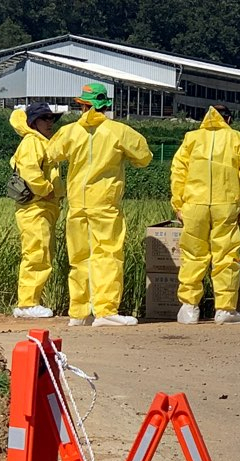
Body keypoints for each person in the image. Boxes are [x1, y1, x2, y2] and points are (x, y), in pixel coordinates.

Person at [48, 83, 152, 327]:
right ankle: (105, 310)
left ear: (83, 105)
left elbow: (52, 153)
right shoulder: (119, 131)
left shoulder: (70, 131)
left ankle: (79, 312)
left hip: (77, 204)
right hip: (105, 202)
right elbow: (144, 157)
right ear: (106, 105)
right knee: (107, 254)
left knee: (79, 257)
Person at [171, 104, 240, 325]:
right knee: (226, 256)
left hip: (194, 204)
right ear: (229, 120)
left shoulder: (191, 138)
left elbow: (178, 170)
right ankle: (225, 309)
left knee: (192, 255)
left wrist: (178, 203)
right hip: (226, 203)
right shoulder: (238, 139)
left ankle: (189, 308)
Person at [9, 102, 64, 319]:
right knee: (36, 253)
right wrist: (47, 190)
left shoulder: (43, 142)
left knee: (42, 252)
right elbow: (31, 172)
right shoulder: (32, 142)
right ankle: (27, 304)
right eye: (45, 118)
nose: (50, 122)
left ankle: (30, 302)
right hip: (35, 206)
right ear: (33, 122)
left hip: (43, 206)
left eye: (51, 118)